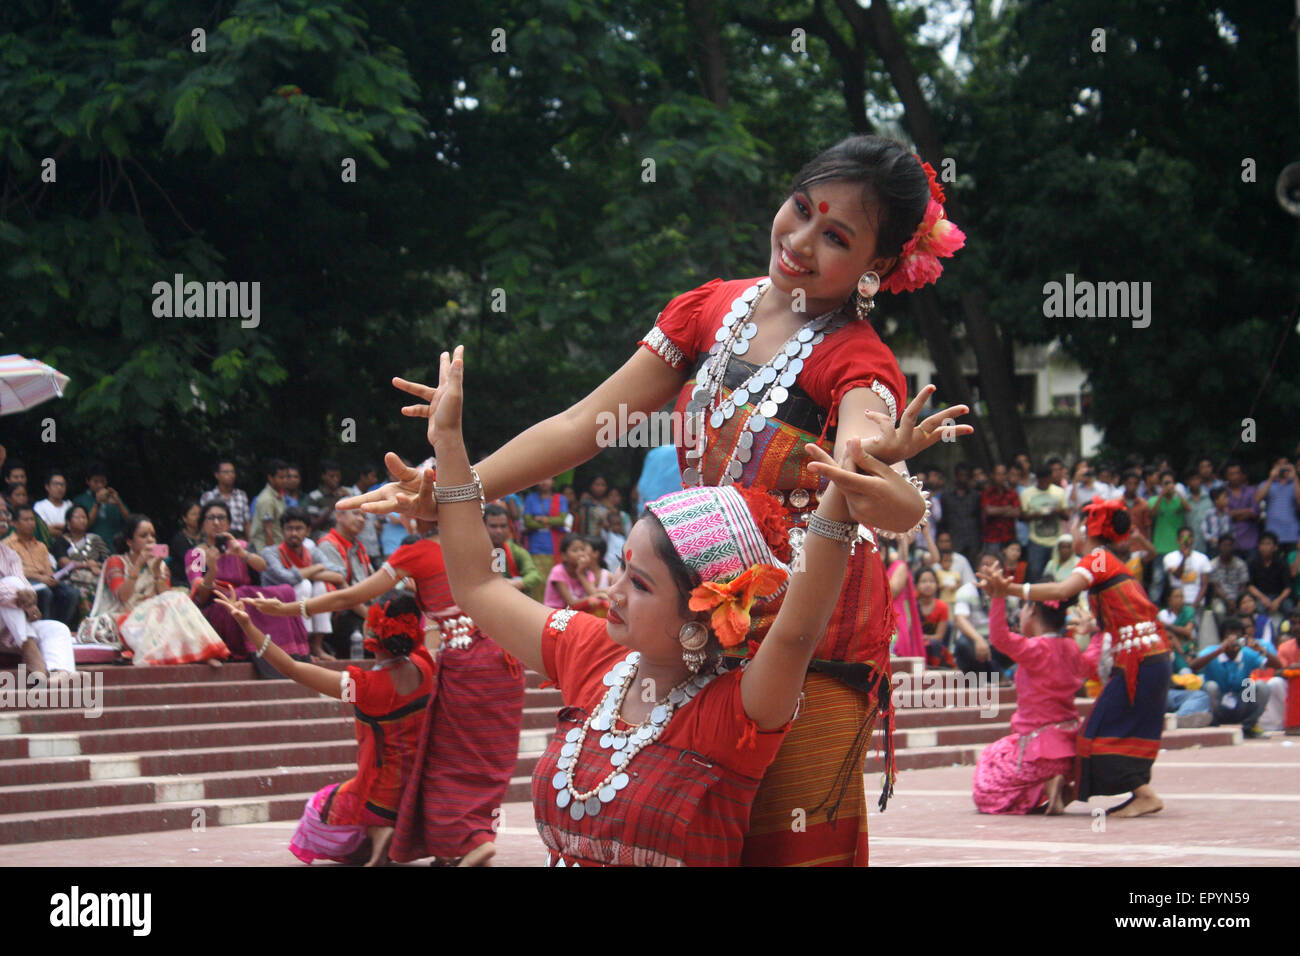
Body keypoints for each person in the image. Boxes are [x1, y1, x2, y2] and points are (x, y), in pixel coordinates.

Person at [342, 135, 967, 867]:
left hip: (797, 650)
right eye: (799, 209)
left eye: (835, 236)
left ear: (879, 266)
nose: (799, 241)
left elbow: (872, 474)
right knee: (647, 826)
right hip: (685, 623)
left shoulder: (860, 363)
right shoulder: (709, 309)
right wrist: (459, 484)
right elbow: (584, 425)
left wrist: (888, 491)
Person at [414, 344, 903, 867]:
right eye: (622, 566)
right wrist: (448, 445)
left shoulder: (737, 710)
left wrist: (845, 486)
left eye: (641, 584)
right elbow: (478, 588)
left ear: (702, 611)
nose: (614, 591)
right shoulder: (591, 653)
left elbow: (797, 630)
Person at [244, 504, 528, 867]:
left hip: (461, 668)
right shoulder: (481, 547)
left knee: (441, 763)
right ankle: (468, 842)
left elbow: (344, 603)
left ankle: (463, 841)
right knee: (478, 760)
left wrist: (280, 614)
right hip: (503, 656)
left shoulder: (366, 682)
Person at [220, 588, 434, 865]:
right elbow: (434, 629)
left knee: (319, 807)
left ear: (372, 630)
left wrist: (247, 624)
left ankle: (379, 830)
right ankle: (387, 832)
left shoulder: (362, 687)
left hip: (379, 793)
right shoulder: (426, 665)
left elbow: (291, 669)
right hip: (422, 791)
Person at [1014, 499, 1169, 817]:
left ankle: (1143, 794)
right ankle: (1076, 794)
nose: (1070, 529)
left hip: (1140, 660)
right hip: (1145, 658)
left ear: (1087, 528)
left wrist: (1013, 589)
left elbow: (1060, 592)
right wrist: (1095, 626)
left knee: (1096, 733)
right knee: (1110, 730)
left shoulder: (1097, 558)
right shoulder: (1106, 561)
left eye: (1074, 523)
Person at [972, 569, 1101, 814]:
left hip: (1039, 754)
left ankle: (1045, 786)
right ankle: (1056, 785)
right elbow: (1092, 664)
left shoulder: (1034, 649)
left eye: (1023, 608)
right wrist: (1096, 633)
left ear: (1031, 611)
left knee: (986, 785)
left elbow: (999, 638)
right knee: (1001, 748)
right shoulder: (1071, 647)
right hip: (1068, 754)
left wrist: (999, 597)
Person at [90, 514, 229, 666]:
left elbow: (166, 597)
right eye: (144, 536)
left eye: (153, 536)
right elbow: (123, 597)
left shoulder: (159, 564)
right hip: (124, 616)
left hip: (153, 616)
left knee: (177, 598)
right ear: (129, 542)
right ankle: (202, 653)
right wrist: (138, 566)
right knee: (176, 599)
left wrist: (157, 570)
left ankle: (204, 651)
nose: (150, 540)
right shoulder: (116, 561)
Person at [184, 500, 309, 659]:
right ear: (202, 525)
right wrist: (212, 569)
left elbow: (262, 567)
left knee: (286, 591)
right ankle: (256, 652)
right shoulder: (198, 554)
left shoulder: (240, 545)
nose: (216, 522)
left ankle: (290, 653)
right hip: (219, 604)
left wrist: (243, 554)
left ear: (228, 524)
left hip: (245, 597)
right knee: (241, 597)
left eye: (221, 518)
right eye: (211, 518)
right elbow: (200, 596)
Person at [0, 503, 78, 684]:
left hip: (10, 629)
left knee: (57, 628)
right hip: (10, 627)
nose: (4, 518)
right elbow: (17, 589)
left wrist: (30, 601)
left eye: (5, 513)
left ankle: (58, 673)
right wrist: (20, 596)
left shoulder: (9, 555)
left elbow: (25, 586)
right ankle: (28, 645)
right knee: (11, 585)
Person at [260, 508, 346, 661]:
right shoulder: (270, 552)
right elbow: (285, 577)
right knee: (304, 584)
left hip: (298, 601)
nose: (294, 533)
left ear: (307, 531)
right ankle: (303, 647)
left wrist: (311, 572)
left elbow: (340, 574)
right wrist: (317, 568)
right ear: (282, 531)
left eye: (298, 529)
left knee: (320, 586)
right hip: (275, 601)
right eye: (289, 529)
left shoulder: (312, 553)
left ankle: (316, 646)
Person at [1188, 620, 1280, 736]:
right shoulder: (1212, 651)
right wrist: (1220, 650)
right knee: (1211, 686)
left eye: (1237, 637)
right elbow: (1193, 667)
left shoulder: (1247, 653)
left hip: (1242, 701)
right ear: (1223, 638)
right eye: (1230, 636)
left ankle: (1249, 726)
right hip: (1218, 703)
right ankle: (1213, 725)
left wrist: (1261, 650)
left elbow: (1278, 665)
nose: (1234, 641)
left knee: (1261, 686)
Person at [316, 506, 379, 658]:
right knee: (374, 644)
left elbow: (373, 582)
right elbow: (343, 592)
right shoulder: (328, 545)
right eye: (356, 514)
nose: (361, 520)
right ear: (339, 516)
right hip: (344, 613)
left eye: (364, 517)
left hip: (364, 610)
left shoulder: (358, 546)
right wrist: (372, 618)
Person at [7, 505, 78, 627]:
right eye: (26, 520)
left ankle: (60, 626)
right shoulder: (7, 544)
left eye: (32, 519)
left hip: (45, 580)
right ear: (15, 523)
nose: (31, 523)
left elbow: (48, 568)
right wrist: (41, 578)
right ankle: (43, 628)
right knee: (45, 592)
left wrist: (51, 577)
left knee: (71, 593)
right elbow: (13, 570)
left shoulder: (41, 545)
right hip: (24, 581)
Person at [952, 548, 1012, 679]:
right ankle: (998, 676)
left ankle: (996, 675)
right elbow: (960, 620)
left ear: (1001, 570)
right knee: (963, 645)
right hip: (976, 643)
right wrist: (979, 640)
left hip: (999, 644)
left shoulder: (1009, 592)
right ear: (978, 569)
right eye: (985, 564)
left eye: (993, 565)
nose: (988, 569)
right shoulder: (966, 590)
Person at [1021, 463, 1069, 582]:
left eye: (1047, 480)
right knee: (1035, 572)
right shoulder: (1027, 494)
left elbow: (1067, 516)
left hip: (1056, 540)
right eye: (1042, 481)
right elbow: (1022, 517)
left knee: (1058, 573)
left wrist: (1058, 511)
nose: (1045, 483)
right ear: (1037, 479)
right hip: (1036, 540)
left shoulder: (1059, 492)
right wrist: (1037, 514)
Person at [544, 532, 610, 613]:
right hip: (554, 613)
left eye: (582, 549)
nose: (580, 554)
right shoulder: (558, 571)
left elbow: (592, 592)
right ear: (564, 556)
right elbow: (570, 603)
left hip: (573, 615)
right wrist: (596, 596)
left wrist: (580, 573)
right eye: (575, 550)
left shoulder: (588, 573)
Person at [522, 478, 567, 596]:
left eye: (548, 479)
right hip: (535, 547)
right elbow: (528, 522)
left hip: (555, 547)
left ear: (553, 482)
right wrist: (551, 522)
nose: (544, 482)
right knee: (538, 582)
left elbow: (562, 520)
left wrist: (541, 519)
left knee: (555, 582)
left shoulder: (560, 499)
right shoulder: (530, 498)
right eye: (541, 479)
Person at [485, 503, 542, 595]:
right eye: (493, 526)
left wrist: (514, 583)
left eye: (503, 526)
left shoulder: (516, 551)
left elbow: (535, 576)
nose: (499, 531)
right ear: (483, 527)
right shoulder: (475, 552)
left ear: (509, 528)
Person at [71, 463, 127, 543]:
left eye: (102, 481)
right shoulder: (80, 500)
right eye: (96, 481)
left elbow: (129, 521)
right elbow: (82, 526)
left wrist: (119, 503)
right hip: (91, 546)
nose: (100, 485)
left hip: (114, 545)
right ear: (88, 481)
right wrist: (97, 503)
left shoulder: (114, 498)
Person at [304, 459, 358, 539]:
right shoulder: (314, 496)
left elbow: (357, 516)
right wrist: (334, 504)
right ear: (323, 476)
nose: (336, 479)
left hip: (346, 538)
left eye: (338, 476)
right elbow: (313, 525)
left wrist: (349, 499)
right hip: (323, 539)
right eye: (332, 476)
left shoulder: (347, 492)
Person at [1256, 457, 1300, 553]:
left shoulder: (1295, 484)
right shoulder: (1266, 484)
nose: (1283, 468)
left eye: (1285, 465)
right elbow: (1257, 498)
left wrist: (1295, 476)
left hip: (1292, 533)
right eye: (1280, 465)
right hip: (1272, 532)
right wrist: (1271, 478)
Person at [1247, 531, 1293, 619]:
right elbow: (1250, 585)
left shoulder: (1282, 563)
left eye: (1268, 544)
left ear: (1275, 547)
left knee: (1289, 607)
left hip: (1280, 596)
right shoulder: (1253, 562)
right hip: (1261, 596)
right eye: (1262, 544)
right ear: (1259, 546)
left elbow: (1288, 587)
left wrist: (1278, 601)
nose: (1265, 547)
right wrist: (1263, 598)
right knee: (1258, 608)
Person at [915, 567, 954, 668]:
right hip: (914, 643)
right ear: (916, 585)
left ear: (937, 585)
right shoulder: (911, 604)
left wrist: (924, 638)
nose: (928, 584)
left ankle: (935, 668)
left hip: (933, 644)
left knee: (934, 642)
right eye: (923, 581)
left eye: (931, 581)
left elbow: (939, 636)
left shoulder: (942, 606)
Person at [942, 462, 982, 562]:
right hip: (954, 538)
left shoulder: (975, 495)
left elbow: (979, 518)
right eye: (961, 475)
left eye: (966, 475)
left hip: (973, 538)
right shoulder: (946, 496)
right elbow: (944, 519)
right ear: (956, 475)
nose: (963, 478)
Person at [200, 460, 250, 538]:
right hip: (216, 537)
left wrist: (249, 543)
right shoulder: (208, 496)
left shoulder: (241, 495)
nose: (230, 475)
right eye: (226, 472)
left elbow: (246, 522)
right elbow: (203, 522)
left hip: (238, 538)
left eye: (232, 472)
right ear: (217, 475)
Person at [249, 459, 289, 553]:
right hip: (263, 547)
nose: (285, 480)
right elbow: (268, 530)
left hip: (278, 544)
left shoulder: (279, 495)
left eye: (286, 477)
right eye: (281, 477)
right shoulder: (267, 499)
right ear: (271, 478)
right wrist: (271, 554)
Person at [1224, 461, 1260, 558]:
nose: (1235, 477)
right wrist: (1246, 511)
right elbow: (1225, 515)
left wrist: (1234, 514)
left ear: (1242, 475)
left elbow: (1255, 512)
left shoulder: (1252, 491)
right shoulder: (1223, 492)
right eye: (1231, 474)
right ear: (1226, 476)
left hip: (1250, 541)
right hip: (1231, 542)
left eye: (1237, 473)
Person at [980, 463, 1020, 551]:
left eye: (1003, 474)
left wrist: (996, 511)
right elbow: (988, 511)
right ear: (993, 475)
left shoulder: (1012, 493)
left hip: (1009, 536)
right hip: (992, 538)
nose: (1001, 477)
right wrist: (1007, 508)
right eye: (998, 474)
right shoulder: (987, 493)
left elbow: (1017, 512)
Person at [931, 529, 975, 605]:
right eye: (941, 541)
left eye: (947, 541)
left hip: (960, 602)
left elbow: (970, 583)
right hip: (938, 602)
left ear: (951, 543)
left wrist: (958, 587)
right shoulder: (932, 561)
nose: (944, 544)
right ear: (937, 543)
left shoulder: (961, 560)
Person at [167, 499, 204, 583]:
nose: (198, 517)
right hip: (182, 581)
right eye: (194, 514)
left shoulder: (206, 536)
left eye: (200, 514)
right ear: (184, 518)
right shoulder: (179, 539)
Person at [33, 471, 72, 537]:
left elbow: (75, 528)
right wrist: (65, 530)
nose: (59, 488)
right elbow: (43, 529)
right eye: (56, 484)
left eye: (62, 484)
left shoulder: (69, 505)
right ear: (47, 487)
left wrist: (55, 527)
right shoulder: (39, 506)